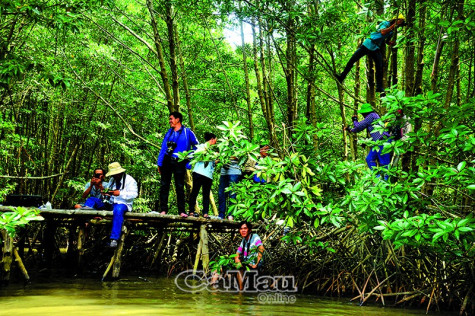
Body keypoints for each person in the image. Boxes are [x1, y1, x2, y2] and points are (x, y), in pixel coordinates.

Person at [336, 14, 405, 93]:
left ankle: (379, 87)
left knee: (380, 66)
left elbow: (386, 41)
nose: (399, 25)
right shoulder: (385, 23)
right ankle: (342, 77)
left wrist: (391, 43)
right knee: (352, 60)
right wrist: (394, 25)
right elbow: (382, 32)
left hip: (375, 48)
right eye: (400, 22)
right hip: (368, 43)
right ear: (395, 20)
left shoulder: (392, 31)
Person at [84, 162, 138, 248]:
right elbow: (109, 193)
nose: (113, 176)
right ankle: (87, 211)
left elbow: (134, 194)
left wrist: (119, 193)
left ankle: (114, 239)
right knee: (92, 199)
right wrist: (106, 193)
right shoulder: (112, 180)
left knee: (118, 210)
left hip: (122, 204)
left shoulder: (130, 180)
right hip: (110, 203)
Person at [156, 112, 198, 217]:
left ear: (178, 119)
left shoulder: (187, 132)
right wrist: (159, 163)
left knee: (179, 186)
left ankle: (182, 211)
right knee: (164, 185)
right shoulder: (169, 132)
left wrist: (188, 160)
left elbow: (197, 147)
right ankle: (163, 210)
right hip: (167, 160)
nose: (169, 121)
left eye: (171, 119)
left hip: (179, 161)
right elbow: (163, 148)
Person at [345, 103, 392, 179]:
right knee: (369, 159)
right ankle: (377, 177)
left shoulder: (371, 116)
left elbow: (358, 126)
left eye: (363, 113)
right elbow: (358, 128)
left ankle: (385, 183)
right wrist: (350, 129)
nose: (363, 115)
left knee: (384, 163)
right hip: (377, 142)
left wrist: (355, 120)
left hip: (383, 141)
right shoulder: (374, 115)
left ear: (365, 112)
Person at [187, 132, 217, 218]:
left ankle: (205, 213)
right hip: (199, 172)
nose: (216, 142)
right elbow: (196, 154)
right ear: (212, 139)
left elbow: (212, 162)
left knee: (206, 194)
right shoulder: (201, 147)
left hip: (208, 175)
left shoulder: (212, 151)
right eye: (215, 140)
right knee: (195, 191)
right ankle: (191, 211)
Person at [235, 221, 264, 291]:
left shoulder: (255, 237)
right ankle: (241, 290)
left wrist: (256, 264)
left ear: (249, 230)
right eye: (241, 229)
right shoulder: (244, 240)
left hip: (255, 263)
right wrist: (236, 259)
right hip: (247, 263)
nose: (243, 231)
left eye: (245, 228)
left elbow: (261, 248)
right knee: (239, 268)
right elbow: (237, 253)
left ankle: (242, 290)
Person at [218, 156, 241, 220]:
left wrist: (229, 157)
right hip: (223, 172)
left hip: (235, 171)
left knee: (232, 194)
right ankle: (221, 215)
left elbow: (241, 156)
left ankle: (231, 215)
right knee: (221, 194)